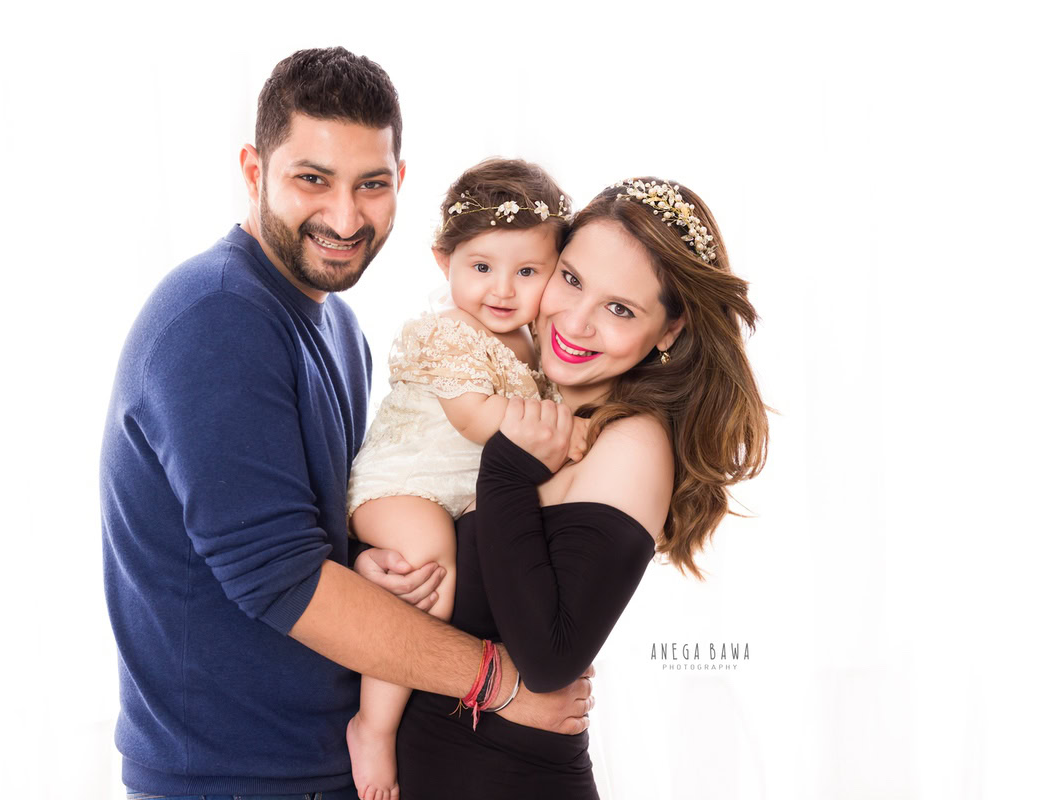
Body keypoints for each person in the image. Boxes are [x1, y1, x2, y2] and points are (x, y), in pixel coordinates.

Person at [100, 47, 593, 800]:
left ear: (400, 183)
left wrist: (362, 560)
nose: (343, 216)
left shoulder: (338, 328)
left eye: (370, 185)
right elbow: (281, 582)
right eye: (311, 179)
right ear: (253, 169)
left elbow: (308, 533)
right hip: (234, 778)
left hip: (321, 768)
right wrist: (499, 684)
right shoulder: (218, 318)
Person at [391, 177, 770, 798]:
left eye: (620, 309)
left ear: (669, 331)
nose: (576, 320)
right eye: (570, 279)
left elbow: (549, 660)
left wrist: (508, 469)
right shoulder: (516, 403)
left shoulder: (630, 445)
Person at [344, 158, 575, 800]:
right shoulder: (449, 332)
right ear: (444, 261)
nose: (502, 289)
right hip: (401, 484)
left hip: (456, 492)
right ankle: (374, 726)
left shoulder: (532, 340)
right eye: (481, 268)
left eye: (527, 271)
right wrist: (564, 432)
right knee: (431, 577)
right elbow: (476, 419)